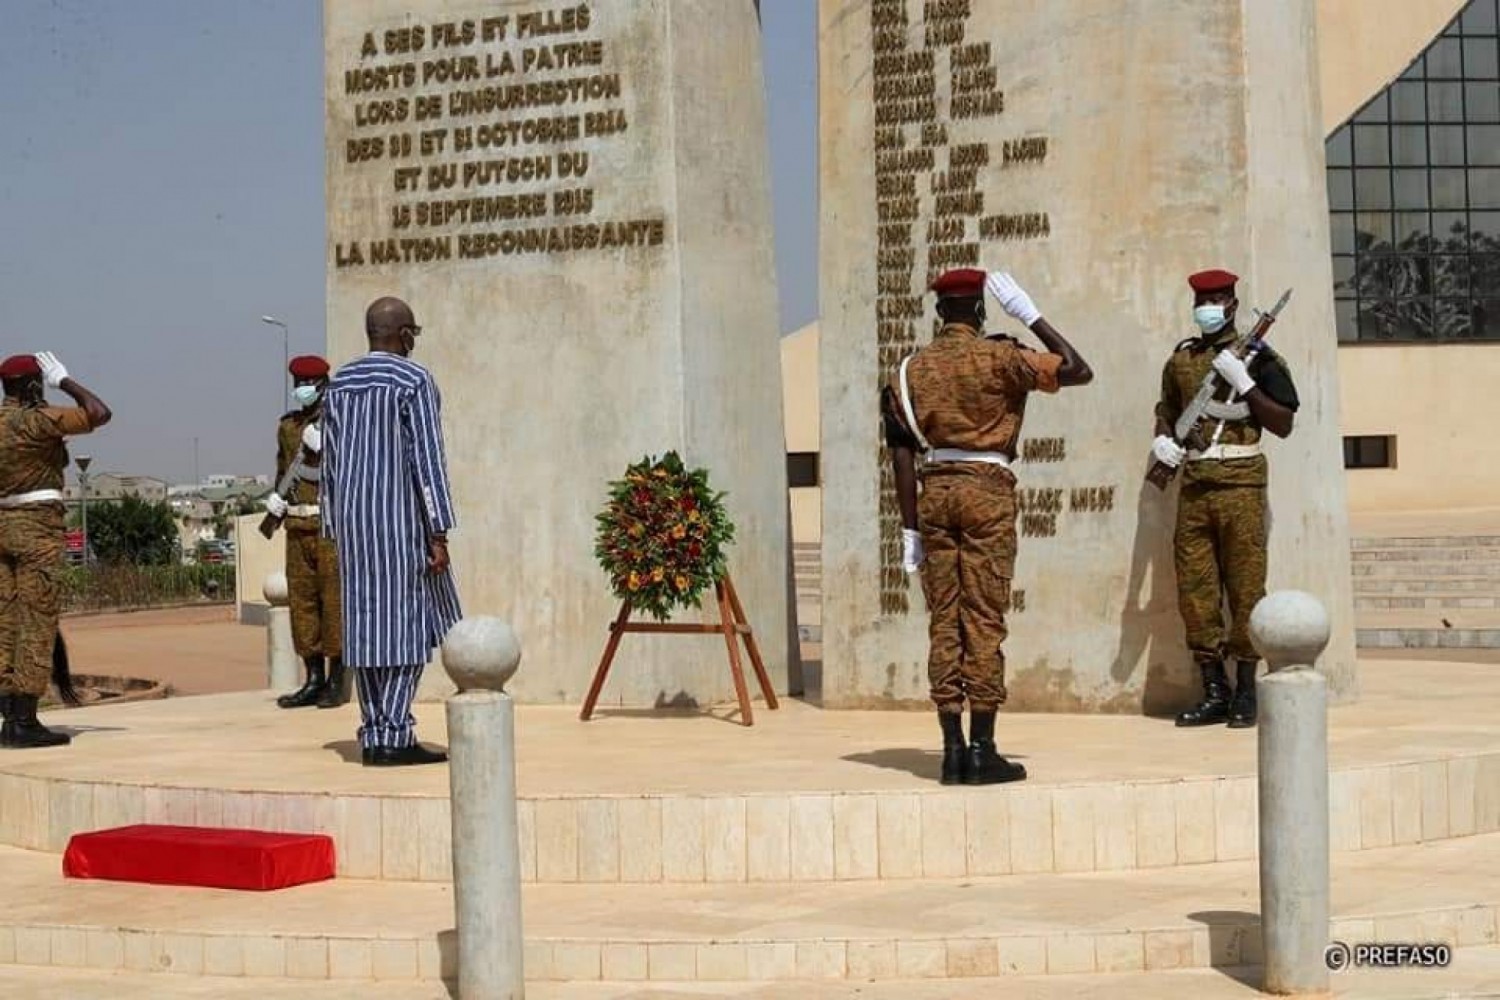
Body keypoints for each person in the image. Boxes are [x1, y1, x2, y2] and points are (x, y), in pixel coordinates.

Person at [881, 269, 1092, 784]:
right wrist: (1030, 315)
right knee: (983, 617)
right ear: (979, 311)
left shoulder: (910, 369)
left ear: (939, 313)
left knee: (944, 619)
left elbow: (901, 456)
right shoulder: (1002, 358)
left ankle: (951, 749)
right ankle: (983, 749)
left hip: (935, 493)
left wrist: (909, 529)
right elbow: (1078, 370)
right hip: (987, 492)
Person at [1151, 268, 1299, 729]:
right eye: (1201, 300)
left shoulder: (1262, 359)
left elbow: (1282, 423)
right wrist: (1163, 443)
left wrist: (1247, 383)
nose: (1207, 308)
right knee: (1196, 591)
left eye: (1216, 299)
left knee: (1246, 588)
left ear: (1234, 304)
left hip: (1241, 484)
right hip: (1195, 484)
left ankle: (1247, 689)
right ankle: (1214, 688)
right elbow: (1168, 412)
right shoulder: (1181, 361)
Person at [320, 297, 461, 767]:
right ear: (403, 335)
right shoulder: (412, 379)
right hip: (401, 524)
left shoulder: (339, 382)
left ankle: (375, 733)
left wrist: (333, 527)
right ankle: (394, 734)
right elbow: (427, 461)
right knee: (408, 627)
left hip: (353, 529)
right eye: (413, 334)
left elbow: (330, 466)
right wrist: (438, 531)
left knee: (365, 628)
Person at [0, 352, 111, 748]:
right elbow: (99, 412)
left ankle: (7, 716)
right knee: (37, 620)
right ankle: (24, 721)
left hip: (3, 528)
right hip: (37, 528)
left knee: (6, 623)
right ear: (32, 385)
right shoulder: (37, 421)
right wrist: (65, 380)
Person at [264, 355, 347, 710]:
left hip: (330, 526)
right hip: (297, 525)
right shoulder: (288, 427)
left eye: (307, 382)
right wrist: (276, 501)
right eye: (298, 382)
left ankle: (335, 678)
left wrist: (328, 447)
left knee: (334, 602)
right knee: (302, 603)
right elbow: (284, 468)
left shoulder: (339, 422)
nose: (302, 388)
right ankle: (312, 677)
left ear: (322, 383)